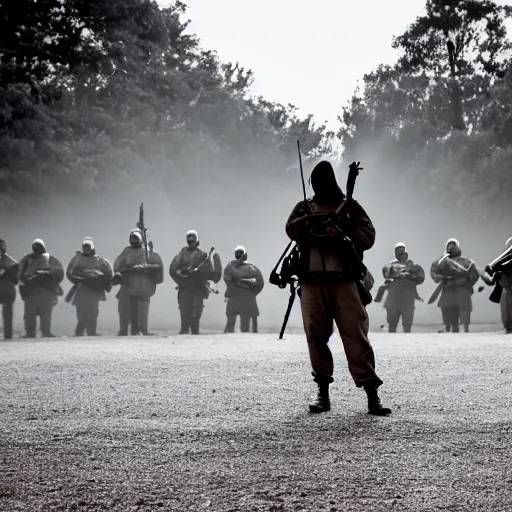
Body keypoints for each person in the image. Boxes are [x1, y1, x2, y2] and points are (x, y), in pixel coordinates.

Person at [285, 160, 391, 416]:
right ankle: (323, 393)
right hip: (311, 281)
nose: (321, 185)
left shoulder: (350, 208)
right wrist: (311, 225)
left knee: (355, 335)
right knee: (316, 336)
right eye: (317, 180)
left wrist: (341, 232)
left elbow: (368, 235)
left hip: (344, 280)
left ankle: (371, 394)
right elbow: (291, 229)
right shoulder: (305, 207)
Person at [169, 230, 222, 335]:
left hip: (198, 288)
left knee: (196, 314)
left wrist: (199, 272)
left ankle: (195, 334)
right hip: (185, 287)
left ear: (197, 240)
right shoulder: (182, 253)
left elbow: (210, 272)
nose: (191, 242)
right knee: (184, 312)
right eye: (189, 240)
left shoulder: (203, 256)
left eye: (193, 240)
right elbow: (173, 270)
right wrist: (183, 274)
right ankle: (184, 333)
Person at [113, 230, 164, 336]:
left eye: (135, 238)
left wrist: (146, 267)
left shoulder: (148, 251)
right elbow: (117, 266)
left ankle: (142, 330)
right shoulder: (127, 251)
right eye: (131, 238)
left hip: (143, 285)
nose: (133, 240)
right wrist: (128, 269)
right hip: (129, 285)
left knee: (143, 309)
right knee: (128, 310)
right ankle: (127, 330)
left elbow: (158, 265)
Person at [66, 237, 113, 336]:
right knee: (81, 312)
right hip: (81, 289)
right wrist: (80, 278)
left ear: (92, 248)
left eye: (88, 247)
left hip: (94, 290)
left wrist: (102, 281)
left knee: (93, 312)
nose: (86, 249)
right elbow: (70, 272)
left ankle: (91, 332)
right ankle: (79, 332)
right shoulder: (77, 259)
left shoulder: (99, 261)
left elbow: (108, 273)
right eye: (84, 247)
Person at [430, 238, 480, 333]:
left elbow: (474, 275)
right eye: (450, 245)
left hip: (462, 290)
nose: (451, 247)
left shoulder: (466, 262)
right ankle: (448, 329)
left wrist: (467, 282)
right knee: (447, 310)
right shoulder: (441, 262)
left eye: (453, 245)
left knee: (464, 311)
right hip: (448, 289)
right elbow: (434, 273)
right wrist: (443, 278)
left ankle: (465, 330)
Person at [18, 239, 64, 338]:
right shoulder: (27, 259)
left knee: (45, 313)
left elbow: (59, 272)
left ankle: (46, 332)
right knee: (30, 314)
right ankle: (31, 333)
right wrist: (28, 280)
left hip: (45, 289)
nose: (37, 249)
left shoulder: (50, 259)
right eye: (35, 247)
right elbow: (20, 274)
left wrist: (47, 277)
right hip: (31, 290)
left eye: (39, 246)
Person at [382, 243, 425, 333]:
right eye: (399, 253)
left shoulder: (413, 266)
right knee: (392, 326)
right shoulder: (390, 266)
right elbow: (386, 275)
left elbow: (420, 278)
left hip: (407, 298)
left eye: (402, 253)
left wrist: (408, 276)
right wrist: (398, 274)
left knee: (407, 326)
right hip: (394, 298)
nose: (401, 255)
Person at [223, 245, 264, 333]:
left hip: (242, 297)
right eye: (237, 253)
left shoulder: (250, 268)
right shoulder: (232, 266)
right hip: (238, 296)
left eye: (240, 253)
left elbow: (259, 283)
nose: (239, 255)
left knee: (243, 325)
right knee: (232, 323)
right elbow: (227, 279)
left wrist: (251, 293)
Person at [0, 239, 19, 340]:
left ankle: (8, 336)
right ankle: (8, 336)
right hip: (8, 288)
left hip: (7, 288)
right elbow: (16, 279)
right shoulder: (12, 262)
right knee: (8, 314)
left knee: (7, 313)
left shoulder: (12, 262)